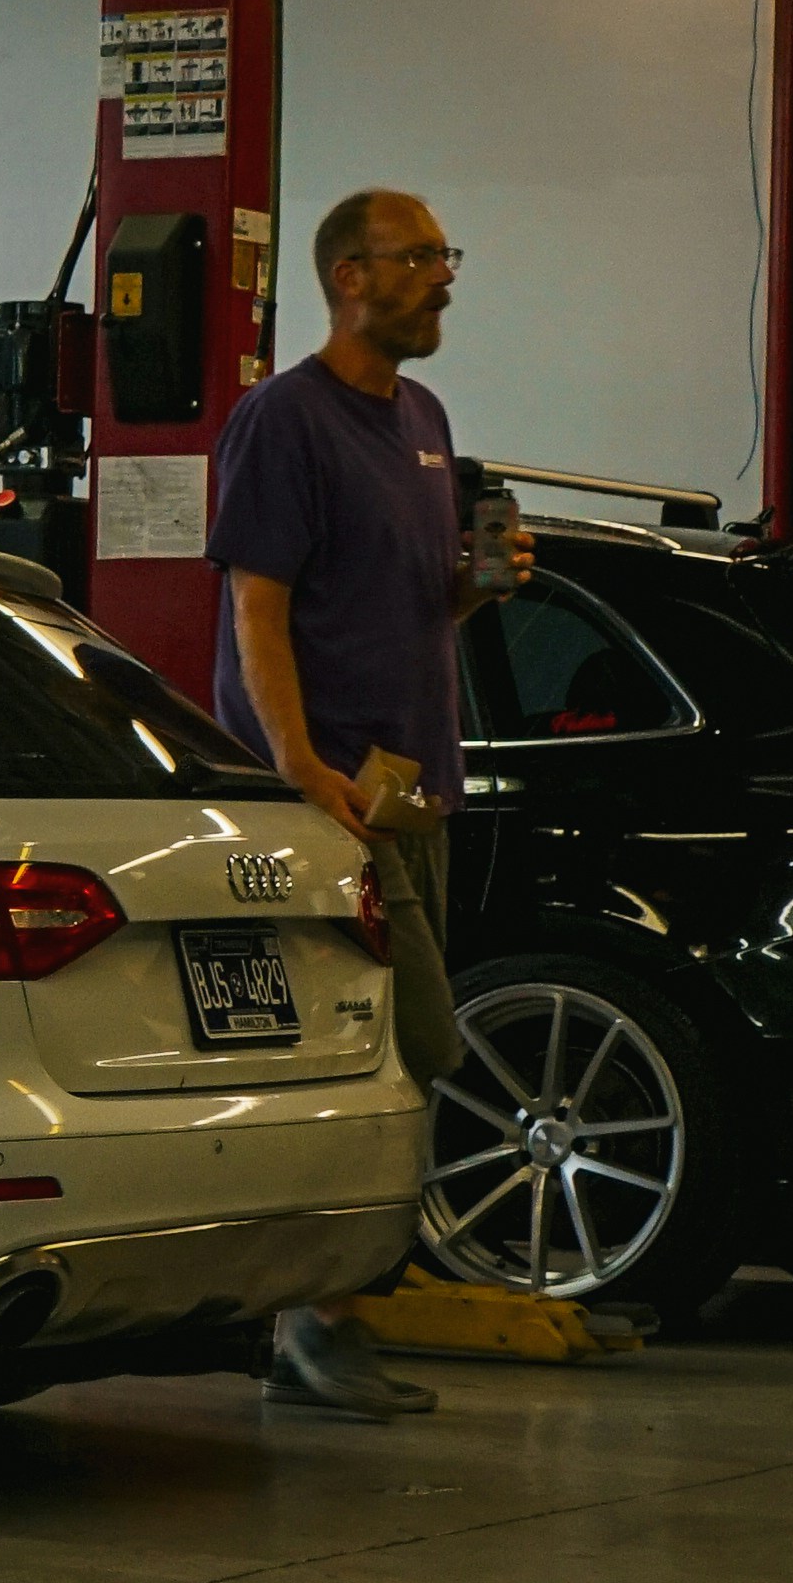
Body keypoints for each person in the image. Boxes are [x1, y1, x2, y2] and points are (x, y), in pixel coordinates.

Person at [220, 187, 517, 1422]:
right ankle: (314, 1321)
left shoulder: (426, 419)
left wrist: (468, 589)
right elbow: (257, 611)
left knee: (397, 1062)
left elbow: (403, 607)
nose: (442, 277)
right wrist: (297, 767)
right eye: (418, 258)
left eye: (446, 255)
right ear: (349, 275)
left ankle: (321, 1316)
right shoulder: (282, 422)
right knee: (407, 1048)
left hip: (413, 795)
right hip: (334, 801)